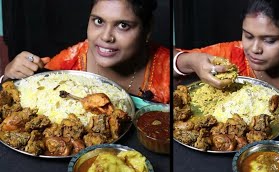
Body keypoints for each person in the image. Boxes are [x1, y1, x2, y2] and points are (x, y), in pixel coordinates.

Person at [2, 0, 170, 105]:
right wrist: (10, 76)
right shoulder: (70, 61)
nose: (106, 37)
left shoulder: (168, 66)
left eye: (123, 25)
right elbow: (30, 87)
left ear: (147, 30)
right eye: (98, 21)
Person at [174, 0, 279, 102]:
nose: (254, 49)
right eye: (248, 36)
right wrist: (193, 62)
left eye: (269, 40)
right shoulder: (233, 55)